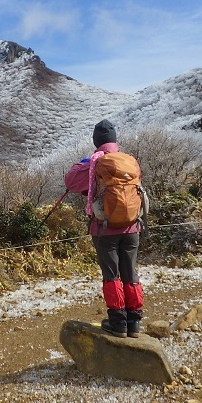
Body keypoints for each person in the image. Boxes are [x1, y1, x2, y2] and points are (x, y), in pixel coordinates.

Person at [64, 120, 144, 337]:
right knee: (130, 272)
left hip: (104, 229)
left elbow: (70, 182)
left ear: (96, 141)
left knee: (111, 274)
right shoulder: (130, 161)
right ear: (115, 140)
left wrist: (84, 163)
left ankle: (118, 322)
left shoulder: (94, 163)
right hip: (132, 226)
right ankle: (134, 322)